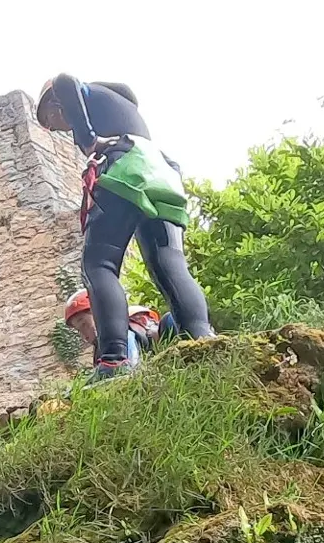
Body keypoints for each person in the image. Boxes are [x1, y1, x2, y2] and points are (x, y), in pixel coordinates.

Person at [36, 75, 215, 380]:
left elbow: (64, 80)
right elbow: (129, 95)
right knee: (169, 262)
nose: (54, 128)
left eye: (49, 120)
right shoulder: (118, 104)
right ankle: (203, 339)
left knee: (98, 264)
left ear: (54, 103)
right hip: (162, 171)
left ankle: (114, 359)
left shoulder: (76, 92)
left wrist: (87, 138)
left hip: (124, 166)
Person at [63, 289, 164, 365]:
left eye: (84, 324)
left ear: (100, 313)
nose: (84, 335)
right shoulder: (101, 352)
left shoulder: (124, 332)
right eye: (79, 330)